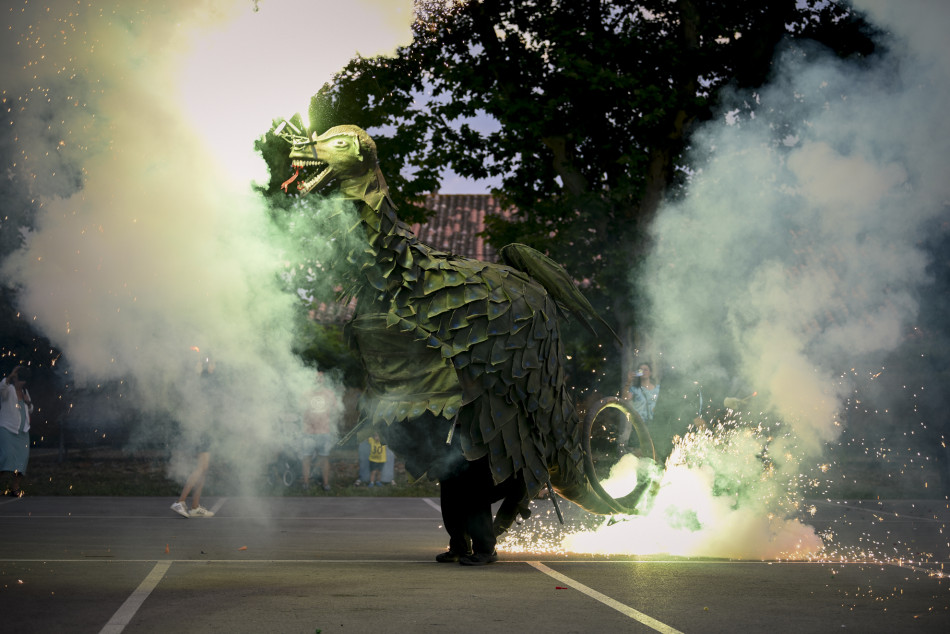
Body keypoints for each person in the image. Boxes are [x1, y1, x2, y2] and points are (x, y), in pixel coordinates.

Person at [170, 357, 216, 518]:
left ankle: (195, 506)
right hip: (198, 428)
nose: (213, 366)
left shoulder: (204, 381)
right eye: (212, 363)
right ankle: (180, 501)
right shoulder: (194, 381)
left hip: (203, 427)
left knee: (204, 467)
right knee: (201, 467)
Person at [0, 366, 33, 498]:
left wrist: (28, 402)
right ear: (15, 379)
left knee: (21, 460)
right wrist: (9, 376)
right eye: (19, 380)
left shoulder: (25, 391)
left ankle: (15, 488)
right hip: (8, 428)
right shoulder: (8, 389)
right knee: (6, 457)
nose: (21, 383)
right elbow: (1, 388)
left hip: (23, 431)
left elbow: (30, 409)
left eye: (23, 381)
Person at [299, 387, 337, 491]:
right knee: (306, 458)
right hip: (308, 432)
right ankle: (305, 483)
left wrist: (327, 421)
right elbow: (300, 409)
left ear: (323, 380)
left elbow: (335, 410)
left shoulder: (329, 393)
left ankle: (326, 484)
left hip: (324, 432)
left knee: (324, 458)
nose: (318, 380)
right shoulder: (305, 393)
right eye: (316, 378)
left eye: (320, 379)